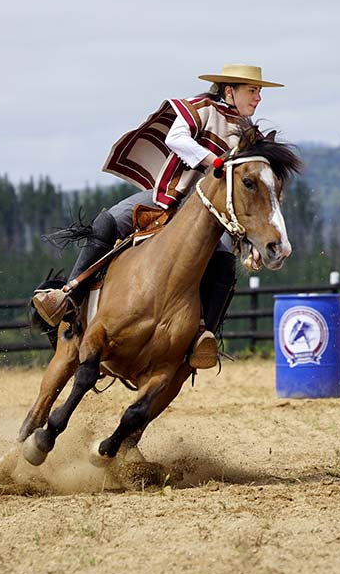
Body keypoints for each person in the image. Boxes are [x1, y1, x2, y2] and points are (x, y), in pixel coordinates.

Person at [31, 63, 284, 369]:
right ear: (229, 91)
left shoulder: (249, 136)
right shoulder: (200, 109)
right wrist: (214, 162)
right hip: (166, 197)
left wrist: (251, 242)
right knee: (107, 222)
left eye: (258, 92)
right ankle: (69, 296)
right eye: (252, 91)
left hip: (206, 220)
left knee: (224, 269)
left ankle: (202, 338)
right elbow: (176, 138)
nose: (258, 98)